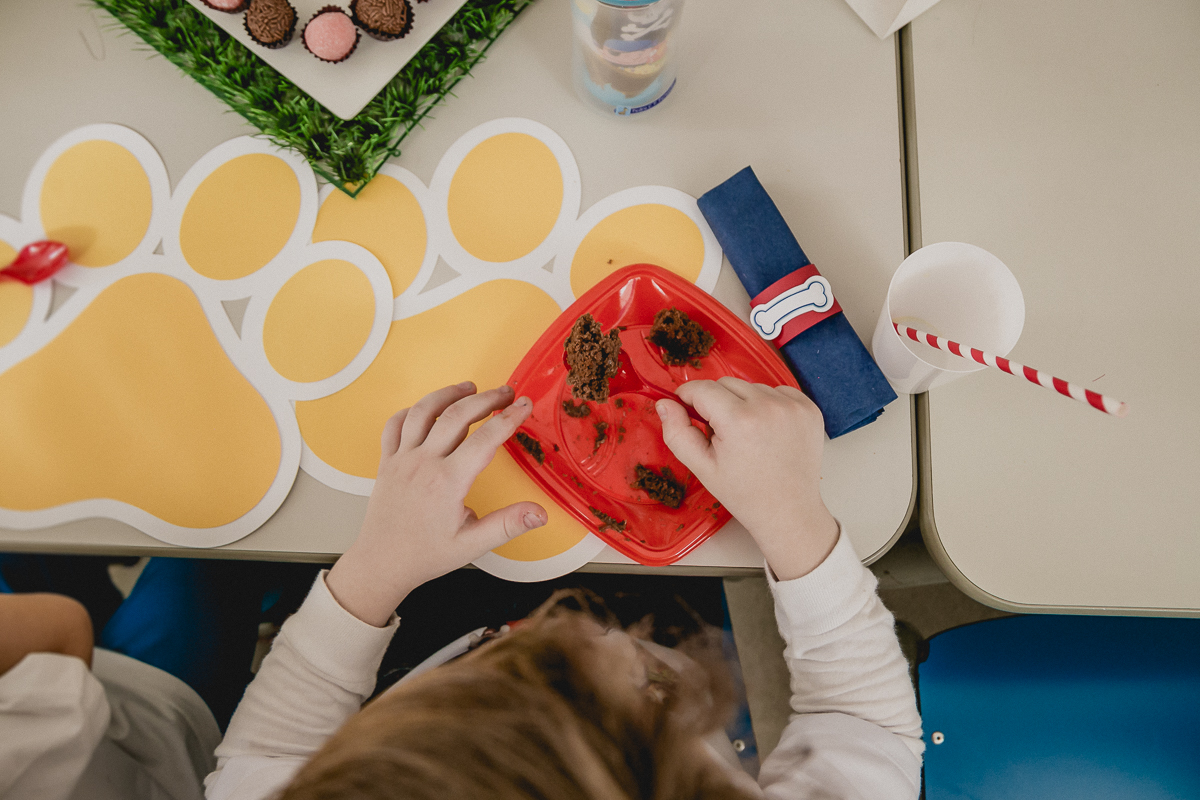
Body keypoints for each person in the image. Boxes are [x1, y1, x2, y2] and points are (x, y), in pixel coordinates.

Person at [205, 379, 924, 800]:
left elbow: (262, 756)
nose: (577, 627)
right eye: (628, 701)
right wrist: (792, 515)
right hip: (672, 624)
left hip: (426, 632)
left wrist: (375, 568)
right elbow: (865, 720)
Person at [0, 555, 317, 800]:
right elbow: (68, 625)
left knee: (24, 548)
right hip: (151, 741)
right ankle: (289, 593)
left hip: (60, 688)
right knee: (211, 539)